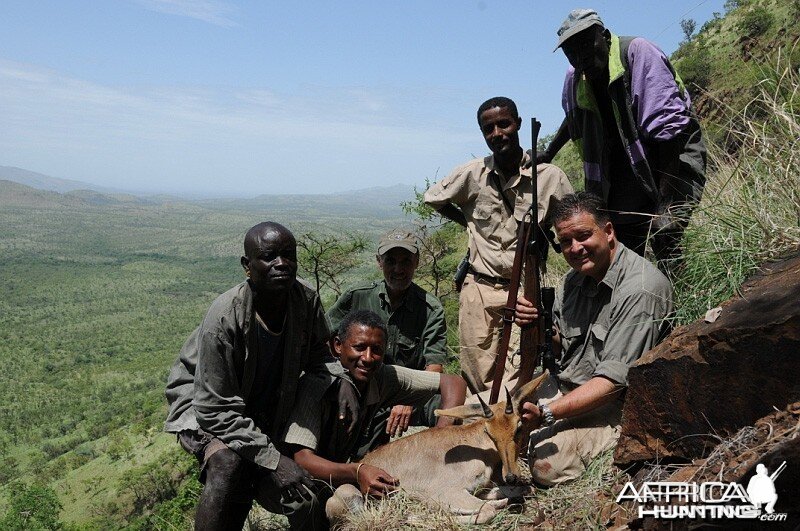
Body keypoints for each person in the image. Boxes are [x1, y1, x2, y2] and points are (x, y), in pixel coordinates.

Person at [164, 221, 357, 531]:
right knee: (228, 463)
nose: (281, 264)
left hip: (262, 405)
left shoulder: (304, 299)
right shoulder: (225, 316)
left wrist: (341, 378)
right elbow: (214, 410)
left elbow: (321, 354)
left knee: (302, 492)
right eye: (268, 256)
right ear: (247, 266)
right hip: (203, 403)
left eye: (288, 255)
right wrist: (274, 459)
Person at [514, 192, 673, 486]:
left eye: (583, 236)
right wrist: (537, 326)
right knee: (488, 412)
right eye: (565, 242)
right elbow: (563, 345)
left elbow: (612, 384)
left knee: (546, 465)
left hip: (613, 407)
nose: (575, 248)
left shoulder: (640, 288)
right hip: (567, 387)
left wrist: (547, 413)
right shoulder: (574, 279)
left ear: (608, 231)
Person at [423, 96, 573, 395]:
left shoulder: (549, 177)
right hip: (479, 288)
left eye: (503, 124)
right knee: (477, 377)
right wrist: (466, 220)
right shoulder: (472, 173)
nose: (497, 133)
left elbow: (573, 220)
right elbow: (433, 198)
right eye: (488, 128)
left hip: (523, 293)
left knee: (517, 378)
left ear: (517, 123)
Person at [538, 8, 706, 272]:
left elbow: (668, 133)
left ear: (603, 36)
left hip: (668, 165)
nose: (581, 55)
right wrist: (548, 153)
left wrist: (666, 205)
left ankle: (686, 298)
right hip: (622, 174)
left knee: (666, 238)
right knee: (623, 254)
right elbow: (574, 118)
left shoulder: (638, 53)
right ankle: (645, 304)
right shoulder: (576, 76)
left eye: (585, 43)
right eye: (571, 50)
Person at [283, 310, 467, 524]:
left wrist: (440, 435)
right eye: (359, 347)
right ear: (337, 346)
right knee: (311, 505)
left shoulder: (382, 376)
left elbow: (453, 382)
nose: (368, 358)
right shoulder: (316, 386)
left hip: (345, 469)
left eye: (376, 350)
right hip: (297, 477)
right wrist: (358, 471)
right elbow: (303, 459)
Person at [327, 229, 447, 442]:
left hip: (406, 389)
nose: (398, 269)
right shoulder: (356, 297)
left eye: (406, 262)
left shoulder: (430, 308)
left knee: (448, 409)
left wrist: (407, 401)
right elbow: (325, 339)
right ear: (379, 262)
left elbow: (434, 366)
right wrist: (341, 378)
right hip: (359, 385)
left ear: (417, 262)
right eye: (391, 261)